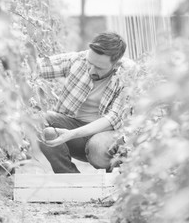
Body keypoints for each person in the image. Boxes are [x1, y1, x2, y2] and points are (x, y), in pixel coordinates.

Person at [37, 32, 133, 173]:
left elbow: (113, 118)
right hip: (75, 135)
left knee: (97, 146)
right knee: (39, 120)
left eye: (99, 68)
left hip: (106, 138)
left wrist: (72, 134)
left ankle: (114, 181)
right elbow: (37, 66)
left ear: (116, 64)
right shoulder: (78, 60)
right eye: (90, 62)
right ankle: (69, 179)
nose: (91, 69)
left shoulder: (127, 72)